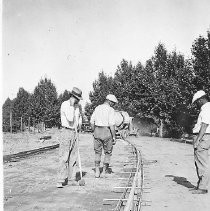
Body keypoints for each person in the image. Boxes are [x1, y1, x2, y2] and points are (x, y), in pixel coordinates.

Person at [56, 87, 83, 188]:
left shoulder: (78, 106)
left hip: (75, 132)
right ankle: (60, 179)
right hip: (66, 131)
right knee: (64, 157)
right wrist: (72, 105)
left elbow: (79, 118)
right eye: (77, 98)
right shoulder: (66, 104)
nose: (78, 100)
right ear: (73, 97)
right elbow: (71, 119)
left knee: (73, 157)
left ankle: (71, 179)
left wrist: (79, 124)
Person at [90, 94, 118, 178]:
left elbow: (92, 121)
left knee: (97, 152)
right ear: (109, 101)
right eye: (113, 103)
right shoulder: (111, 110)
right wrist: (114, 136)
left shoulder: (97, 108)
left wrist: (94, 130)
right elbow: (112, 125)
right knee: (108, 152)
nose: (113, 105)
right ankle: (105, 169)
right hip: (107, 131)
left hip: (97, 130)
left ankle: (97, 171)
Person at [191, 90, 210, 194]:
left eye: (197, 102)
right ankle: (200, 185)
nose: (196, 104)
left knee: (202, 163)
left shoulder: (207, 109)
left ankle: (202, 188)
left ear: (201, 99)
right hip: (205, 137)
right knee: (200, 161)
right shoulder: (206, 108)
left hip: (203, 137)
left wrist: (198, 140)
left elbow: (204, 125)